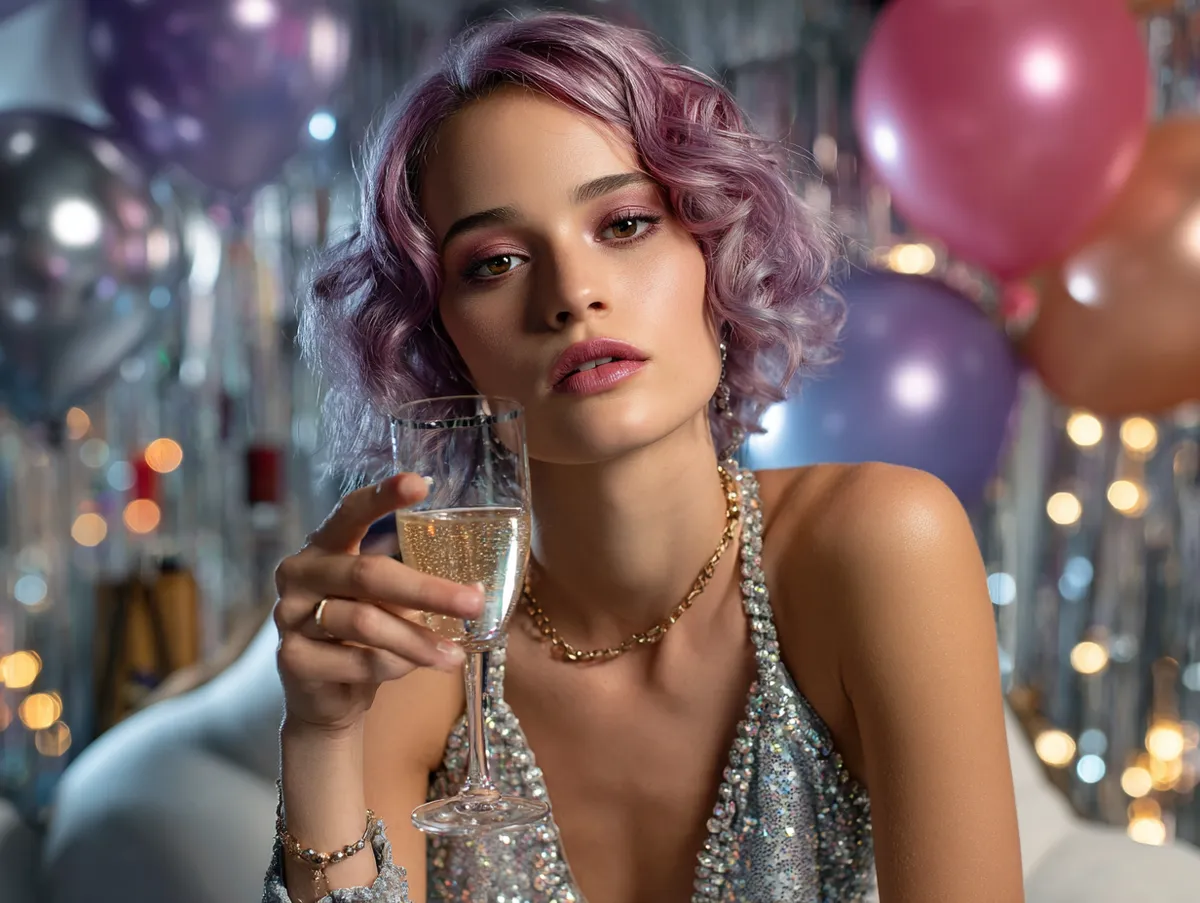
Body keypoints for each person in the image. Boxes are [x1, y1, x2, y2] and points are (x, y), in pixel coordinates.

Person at [263, 11, 1023, 903]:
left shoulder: (879, 544)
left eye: (622, 224)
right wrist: (318, 736)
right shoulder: (428, 633)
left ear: (715, 247)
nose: (573, 294)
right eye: (497, 262)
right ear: (439, 338)